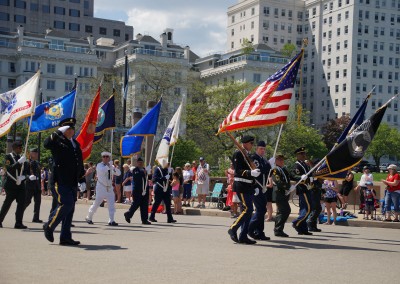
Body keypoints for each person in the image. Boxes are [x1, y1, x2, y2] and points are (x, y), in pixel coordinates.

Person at [43, 118, 84, 245]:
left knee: (70, 208)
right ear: (63, 130)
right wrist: (56, 133)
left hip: (72, 180)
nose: (71, 131)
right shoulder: (57, 141)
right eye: (68, 129)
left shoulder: (75, 144)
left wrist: (81, 178)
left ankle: (65, 237)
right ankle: (49, 225)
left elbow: (79, 162)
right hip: (59, 180)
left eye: (72, 129)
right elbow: (46, 144)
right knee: (66, 204)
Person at [227, 135, 260, 245]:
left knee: (248, 212)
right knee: (247, 209)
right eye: (251, 143)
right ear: (245, 143)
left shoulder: (247, 155)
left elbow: (251, 172)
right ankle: (233, 228)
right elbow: (238, 170)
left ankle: (243, 236)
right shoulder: (238, 153)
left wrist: (255, 185)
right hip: (241, 185)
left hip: (249, 186)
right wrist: (250, 172)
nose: (252, 145)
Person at [86, 152, 121, 226]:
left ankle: (111, 220)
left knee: (111, 204)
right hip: (101, 187)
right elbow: (102, 171)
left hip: (109, 188)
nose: (105, 158)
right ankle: (89, 217)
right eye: (104, 157)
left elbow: (119, 173)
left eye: (107, 157)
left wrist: (113, 167)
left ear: (109, 158)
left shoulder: (110, 166)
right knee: (97, 203)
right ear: (102, 158)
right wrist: (109, 166)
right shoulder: (99, 165)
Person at [0, 140, 28, 229]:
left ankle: (18, 223)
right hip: (10, 185)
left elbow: (25, 170)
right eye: (19, 148)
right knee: (7, 203)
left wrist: (24, 177)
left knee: (21, 204)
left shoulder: (22, 158)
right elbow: (8, 169)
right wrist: (18, 162)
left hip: (20, 185)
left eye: (21, 148)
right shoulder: (8, 157)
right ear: (14, 148)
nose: (21, 149)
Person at [248, 140, 271, 241]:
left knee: (262, 210)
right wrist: (269, 164)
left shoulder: (263, 160)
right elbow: (260, 170)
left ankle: (259, 232)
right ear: (256, 149)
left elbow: (269, 171)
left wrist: (271, 165)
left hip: (263, 188)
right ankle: (250, 228)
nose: (263, 151)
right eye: (261, 149)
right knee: (261, 209)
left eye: (264, 149)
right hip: (256, 187)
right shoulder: (254, 158)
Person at [292, 147, 313, 235]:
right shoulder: (297, 165)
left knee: (304, 209)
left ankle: (303, 228)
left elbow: (310, 174)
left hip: (308, 188)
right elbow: (293, 175)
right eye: (302, 154)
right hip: (302, 189)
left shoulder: (305, 164)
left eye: (304, 154)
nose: (304, 155)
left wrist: (311, 178)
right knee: (308, 208)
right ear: (297, 155)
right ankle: (296, 222)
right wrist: (300, 177)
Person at [124, 158, 151, 225]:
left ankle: (144, 220)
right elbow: (137, 178)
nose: (140, 163)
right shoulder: (135, 170)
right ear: (137, 163)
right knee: (136, 204)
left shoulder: (145, 169)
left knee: (144, 206)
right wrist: (143, 173)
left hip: (145, 190)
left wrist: (149, 172)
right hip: (137, 190)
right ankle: (128, 214)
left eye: (141, 162)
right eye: (139, 162)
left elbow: (148, 179)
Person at [271, 154, 292, 237]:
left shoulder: (283, 169)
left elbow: (289, 178)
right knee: (286, 210)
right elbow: (278, 181)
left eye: (282, 160)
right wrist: (287, 187)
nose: (282, 161)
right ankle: (278, 229)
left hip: (284, 192)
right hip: (279, 192)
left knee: (280, 211)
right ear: (275, 161)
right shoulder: (275, 170)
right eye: (280, 160)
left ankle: (278, 230)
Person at [24, 148, 42, 223]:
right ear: (31, 154)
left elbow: (39, 175)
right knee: (27, 201)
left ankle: (36, 218)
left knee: (38, 202)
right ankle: (19, 213)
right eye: (36, 153)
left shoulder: (37, 163)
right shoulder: (27, 163)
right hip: (29, 185)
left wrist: (40, 185)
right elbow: (23, 174)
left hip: (37, 186)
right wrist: (29, 177)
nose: (37, 154)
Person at [307, 159, 323, 232]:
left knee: (317, 208)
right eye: (319, 163)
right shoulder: (312, 171)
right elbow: (311, 182)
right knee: (316, 208)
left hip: (317, 191)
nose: (320, 165)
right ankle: (310, 222)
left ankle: (313, 225)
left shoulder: (317, 171)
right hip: (313, 191)